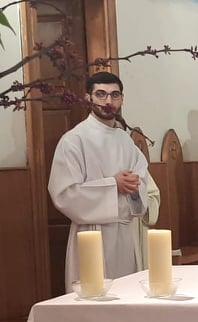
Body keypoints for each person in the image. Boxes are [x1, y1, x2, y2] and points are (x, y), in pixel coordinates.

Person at [48, 71, 150, 292]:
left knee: (128, 294)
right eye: (101, 94)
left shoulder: (125, 140)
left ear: (122, 99)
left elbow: (141, 179)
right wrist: (113, 185)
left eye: (114, 95)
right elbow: (64, 193)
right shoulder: (74, 140)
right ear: (89, 98)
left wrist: (133, 186)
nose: (108, 101)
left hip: (125, 233)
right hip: (92, 233)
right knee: (94, 296)